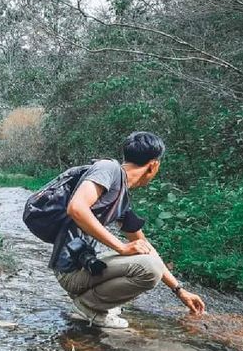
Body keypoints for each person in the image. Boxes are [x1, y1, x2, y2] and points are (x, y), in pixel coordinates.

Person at [53, 131, 206, 328]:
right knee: (149, 269)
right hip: (69, 272)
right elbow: (76, 208)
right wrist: (122, 248)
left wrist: (179, 290)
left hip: (83, 265)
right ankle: (89, 305)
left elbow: (147, 247)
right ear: (154, 165)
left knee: (150, 260)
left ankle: (96, 301)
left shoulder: (122, 200)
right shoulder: (108, 169)